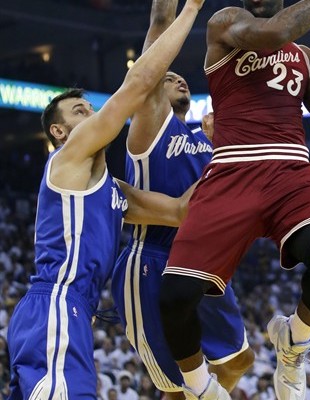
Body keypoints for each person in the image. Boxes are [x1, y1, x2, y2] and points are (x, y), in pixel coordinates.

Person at [158, 0, 310, 399]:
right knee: (173, 297)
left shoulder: (305, 57)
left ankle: (294, 339)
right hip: (231, 170)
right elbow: (275, 33)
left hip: (290, 171)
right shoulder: (226, 23)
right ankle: (199, 387)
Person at [6, 0, 206, 398]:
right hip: (56, 304)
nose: (92, 115)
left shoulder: (112, 191)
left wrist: (233, 153)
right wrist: (191, 10)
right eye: (81, 111)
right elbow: (137, 87)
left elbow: (183, 211)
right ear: (61, 132)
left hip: (72, 313)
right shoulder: (68, 157)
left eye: (90, 107)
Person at [111, 0, 254, 399]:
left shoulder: (206, 142)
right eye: (168, 77)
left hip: (201, 261)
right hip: (152, 260)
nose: (178, 79)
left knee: (240, 361)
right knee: (176, 390)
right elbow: (159, 23)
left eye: (181, 78)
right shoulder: (151, 128)